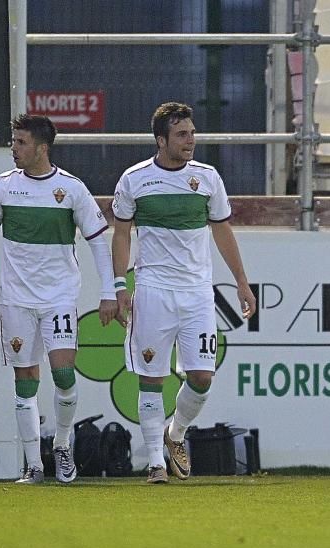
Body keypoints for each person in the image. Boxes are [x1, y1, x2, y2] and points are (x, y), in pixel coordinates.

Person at [0, 114, 117, 485]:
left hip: (59, 296)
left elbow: (97, 242)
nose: (14, 148)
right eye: (13, 141)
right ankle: (33, 465)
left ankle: (62, 445)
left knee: (63, 375)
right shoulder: (3, 187)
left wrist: (109, 292)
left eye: (21, 142)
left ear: (42, 148)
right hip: (17, 300)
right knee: (25, 380)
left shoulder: (71, 189)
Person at [112, 101, 256, 484]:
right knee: (150, 378)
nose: (190, 140)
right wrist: (119, 287)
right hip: (153, 291)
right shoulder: (134, 179)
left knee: (203, 377)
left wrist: (241, 281)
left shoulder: (207, 178)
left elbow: (223, 231)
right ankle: (156, 463)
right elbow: (122, 233)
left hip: (196, 294)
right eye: (181, 134)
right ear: (161, 140)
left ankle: (174, 434)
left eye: (192, 133)